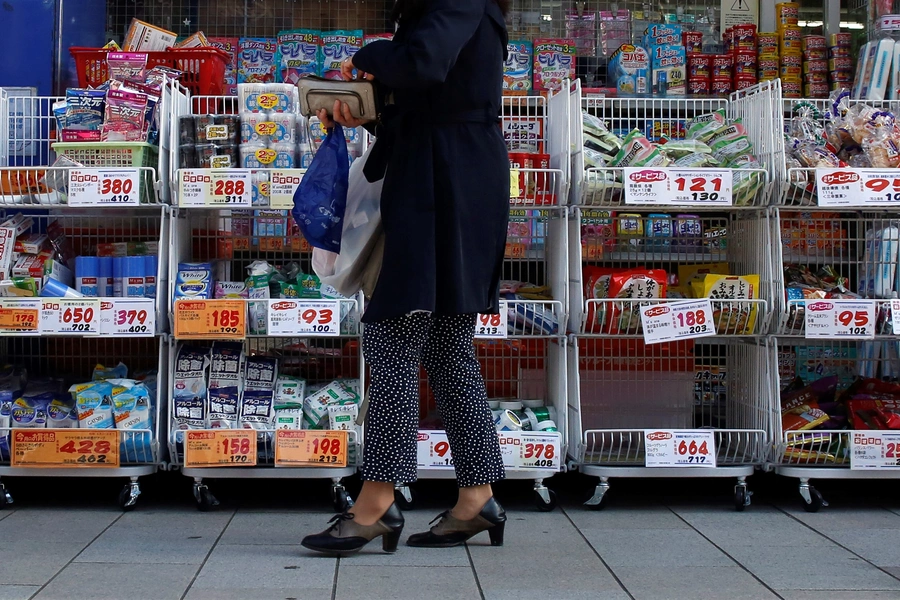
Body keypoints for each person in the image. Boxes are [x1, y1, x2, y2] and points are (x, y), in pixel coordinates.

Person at [301, 0, 511, 555]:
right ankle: (477, 496)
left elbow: (423, 65)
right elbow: (425, 92)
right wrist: (360, 109)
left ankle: (376, 501)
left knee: (393, 335)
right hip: (449, 175)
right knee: (446, 346)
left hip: (444, 184)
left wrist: (367, 54)